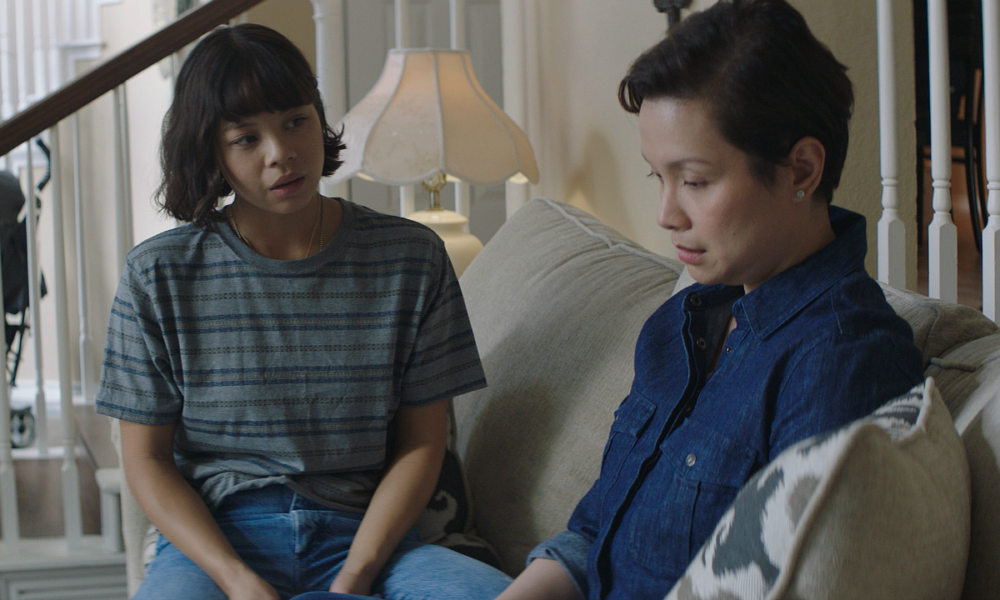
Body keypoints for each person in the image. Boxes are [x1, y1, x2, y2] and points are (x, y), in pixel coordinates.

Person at [495, 1, 923, 599]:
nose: (665, 214)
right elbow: (593, 535)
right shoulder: (684, 320)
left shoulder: (842, 358)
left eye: (694, 181)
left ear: (801, 169)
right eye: (658, 177)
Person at [94, 23, 511, 600]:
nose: (281, 153)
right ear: (211, 151)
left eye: (296, 121)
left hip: (371, 537)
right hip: (219, 543)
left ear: (319, 117)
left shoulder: (411, 258)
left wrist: (354, 578)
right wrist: (236, 580)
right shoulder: (156, 275)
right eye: (246, 138)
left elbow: (423, 443)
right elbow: (146, 461)